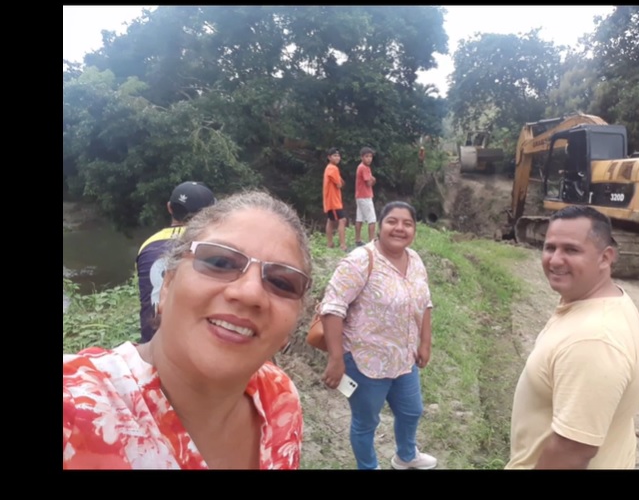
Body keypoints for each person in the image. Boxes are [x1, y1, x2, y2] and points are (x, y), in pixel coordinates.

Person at [63, 190, 312, 469]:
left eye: (281, 283)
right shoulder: (76, 409)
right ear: (167, 284)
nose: (250, 293)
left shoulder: (280, 399)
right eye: (220, 262)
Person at [505, 205, 639, 469]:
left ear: (605, 258)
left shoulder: (594, 340)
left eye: (571, 250)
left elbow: (572, 452)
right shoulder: (604, 300)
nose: (555, 260)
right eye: (550, 247)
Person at [319, 201, 437, 470]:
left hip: (404, 358)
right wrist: (336, 359)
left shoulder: (415, 260)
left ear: (414, 230)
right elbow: (332, 307)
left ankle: (406, 456)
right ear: (380, 225)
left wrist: (425, 343)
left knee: (412, 410)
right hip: (365, 361)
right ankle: (368, 466)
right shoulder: (361, 260)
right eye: (392, 221)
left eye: (407, 224)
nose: (400, 228)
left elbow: (425, 303)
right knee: (366, 422)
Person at [136, 181, 216, 343]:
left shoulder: (147, 245)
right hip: (192, 345)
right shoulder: (210, 245)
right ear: (209, 214)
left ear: (169, 208)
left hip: (150, 342)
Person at [322, 147, 347, 251]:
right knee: (342, 220)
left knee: (331, 220)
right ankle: (343, 246)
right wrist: (340, 182)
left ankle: (330, 244)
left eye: (338, 155)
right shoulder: (333, 169)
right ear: (329, 157)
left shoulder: (329, 168)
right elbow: (339, 184)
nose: (337, 158)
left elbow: (340, 182)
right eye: (335, 156)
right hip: (334, 201)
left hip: (330, 200)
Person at [354, 147, 377, 247]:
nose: (369, 159)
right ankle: (372, 241)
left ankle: (358, 239)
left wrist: (372, 179)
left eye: (370, 156)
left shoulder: (361, 167)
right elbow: (369, 183)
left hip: (359, 196)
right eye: (366, 156)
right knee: (372, 219)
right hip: (365, 196)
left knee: (359, 218)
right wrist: (374, 180)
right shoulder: (364, 168)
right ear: (361, 157)